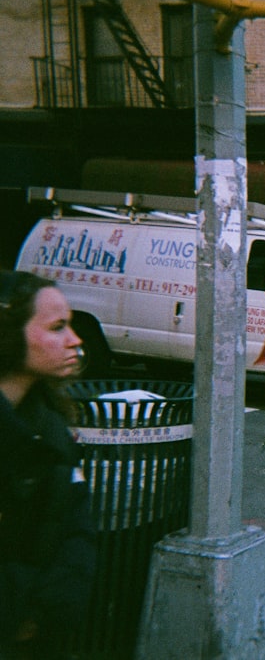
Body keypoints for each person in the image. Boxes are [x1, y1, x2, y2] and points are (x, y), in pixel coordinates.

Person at [0, 271, 95, 659]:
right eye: (58, 327)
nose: (75, 340)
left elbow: (77, 532)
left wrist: (42, 613)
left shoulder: (51, 429)